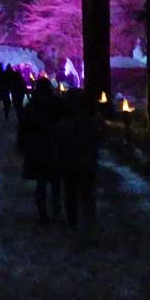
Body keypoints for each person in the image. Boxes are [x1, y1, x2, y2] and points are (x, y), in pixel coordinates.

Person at [55, 90, 100, 237]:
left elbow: (59, 145)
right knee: (85, 194)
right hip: (84, 163)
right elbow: (95, 142)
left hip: (71, 163)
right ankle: (87, 223)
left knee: (71, 193)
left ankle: (74, 222)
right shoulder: (89, 124)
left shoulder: (63, 125)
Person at [19, 79, 62, 224]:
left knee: (41, 182)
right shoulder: (56, 104)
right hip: (53, 146)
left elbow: (24, 127)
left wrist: (23, 145)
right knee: (55, 180)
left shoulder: (32, 106)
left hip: (37, 148)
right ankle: (56, 206)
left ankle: (43, 212)